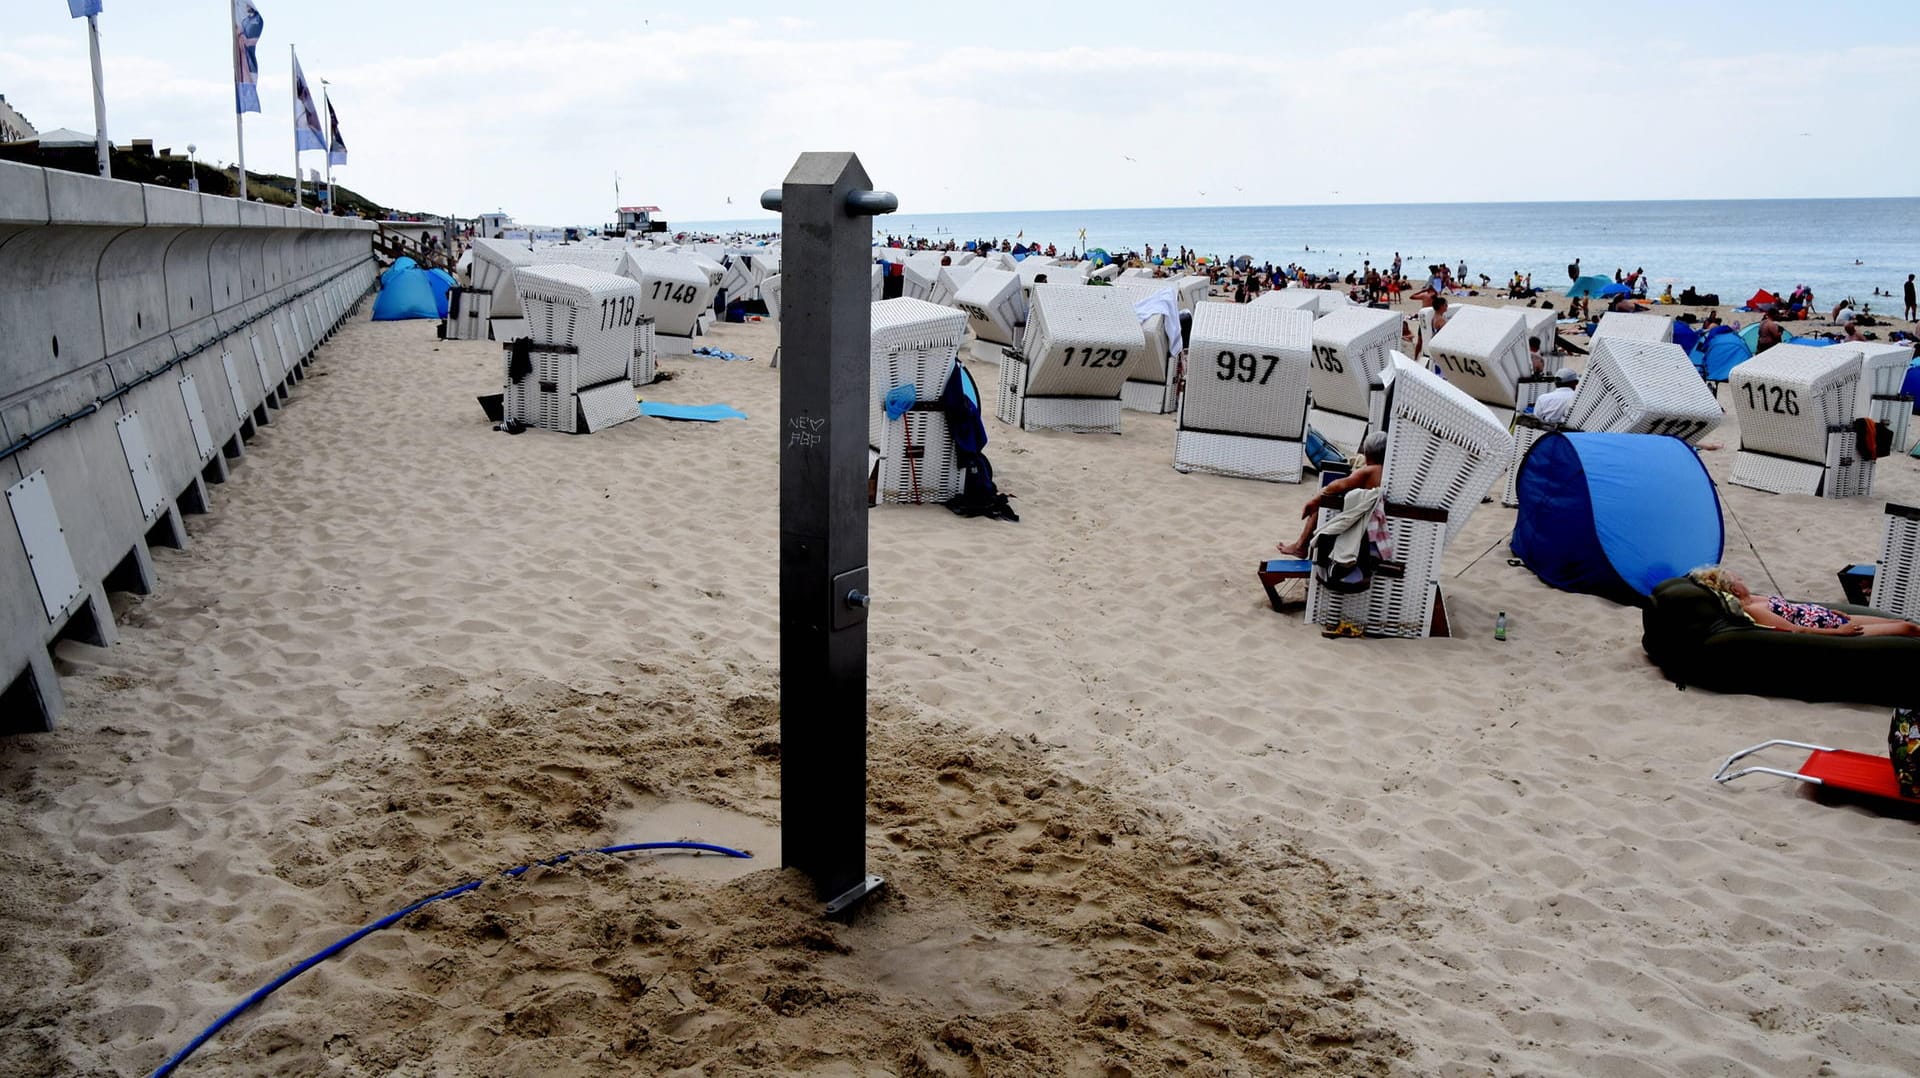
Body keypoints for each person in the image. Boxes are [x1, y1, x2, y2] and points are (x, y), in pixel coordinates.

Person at [1688, 567, 1920, 636]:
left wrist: (1833, 613)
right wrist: (1839, 631)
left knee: (1903, 622)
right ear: (1733, 590)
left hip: (1834, 617)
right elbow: (1796, 630)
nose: (1741, 578)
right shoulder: (1753, 608)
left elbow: (1797, 608)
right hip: (1834, 628)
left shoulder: (1755, 597)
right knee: (1907, 628)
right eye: (1737, 578)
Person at [1276, 433, 1387, 557]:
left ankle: (1301, 546)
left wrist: (1315, 499)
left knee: (1325, 501)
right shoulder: (1388, 473)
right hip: (1384, 520)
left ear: (1368, 454)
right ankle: (1300, 546)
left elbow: (1338, 485)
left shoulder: (1370, 471)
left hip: (1362, 522)